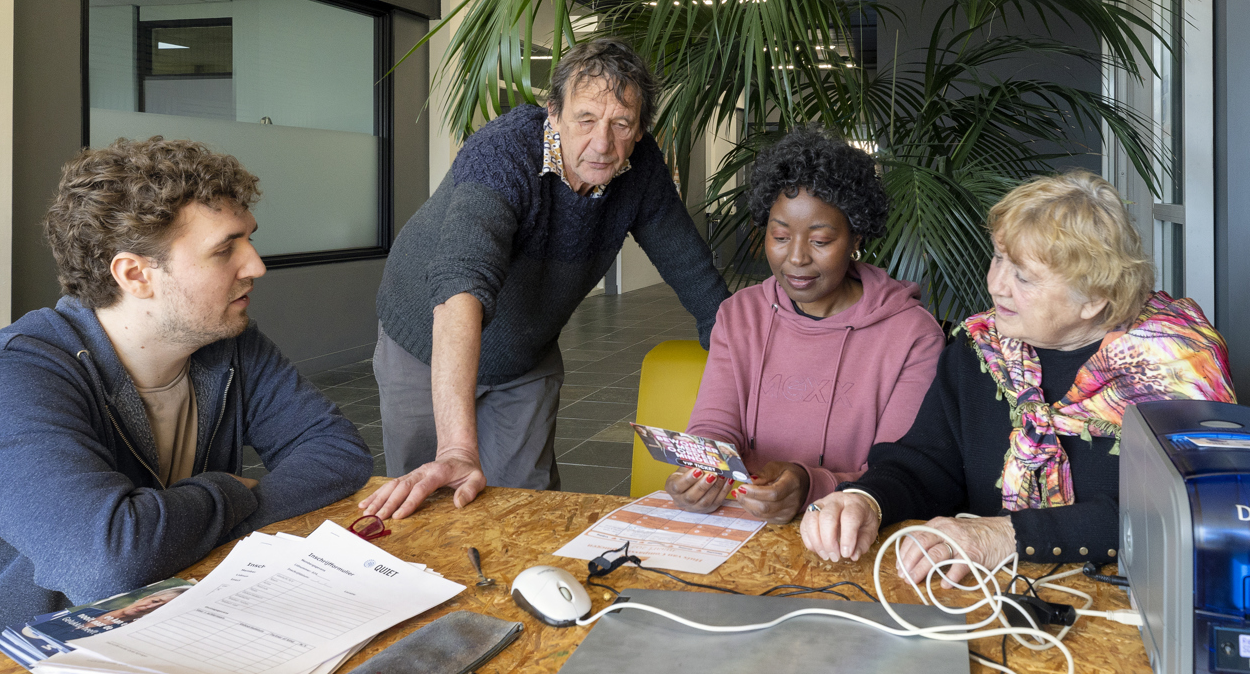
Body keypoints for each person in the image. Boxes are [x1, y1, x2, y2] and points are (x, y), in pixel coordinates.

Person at [0, 138, 373, 654]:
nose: (255, 265)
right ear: (136, 274)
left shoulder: (227, 341)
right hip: (23, 655)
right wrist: (226, 492)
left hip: (172, 628)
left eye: (248, 240)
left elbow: (336, 453)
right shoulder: (13, 377)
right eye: (225, 249)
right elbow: (111, 562)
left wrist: (186, 520)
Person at [800, 171, 1236, 585]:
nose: (996, 285)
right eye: (999, 258)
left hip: (1132, 611)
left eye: (1024, 277)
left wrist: (1003, 536)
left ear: (1094, 299)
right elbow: (928, 462)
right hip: (994, 600)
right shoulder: (983, 349)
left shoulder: (1177, 369)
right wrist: (867, 499)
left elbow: (1191, 514)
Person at [362, 38, 729, 520]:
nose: (602, 143)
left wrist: (748, 359)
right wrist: (456, 449)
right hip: (427, 343)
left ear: (639, 130)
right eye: (585, 119)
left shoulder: (640, 171)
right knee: (426, 502)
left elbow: (696, 276)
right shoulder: (504, 152)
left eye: (621, 123)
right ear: (553, 113)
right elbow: (462, 283)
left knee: (526, 508)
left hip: (524, 355)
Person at [663, 127, 945, 523]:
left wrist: (810, 484)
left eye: (821, 240)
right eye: (780, 236)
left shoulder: (912, 337)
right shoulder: (739, 315)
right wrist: (705, 468)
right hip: (740, 524)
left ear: (855, 238)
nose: (795, 258)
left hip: (848, 533)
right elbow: (715, 423)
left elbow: (899, 473)